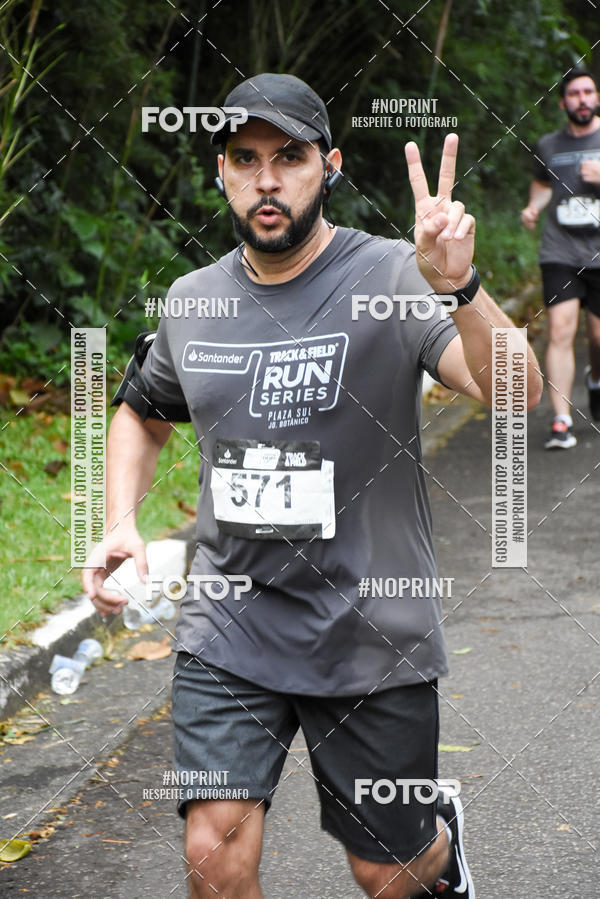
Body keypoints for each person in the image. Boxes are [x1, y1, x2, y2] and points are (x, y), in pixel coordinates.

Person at [84, 73, 542, 898]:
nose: (267, 179)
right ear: (220, 171)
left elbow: (515, 393)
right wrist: (119, 517)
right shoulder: (193, 303)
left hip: (371, 626)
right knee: (212, 856)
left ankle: (438, 842)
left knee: (388, 868)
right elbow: (141, 412)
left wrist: (462, 289)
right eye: (245, 158)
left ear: (327, 166)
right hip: (232, 622)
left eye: (288, 157)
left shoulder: (392, 276)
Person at [521, 66, 600, 449]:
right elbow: (541, 186)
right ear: (563, 102)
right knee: (560, 331)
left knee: (598, 335)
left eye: (588, 92)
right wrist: (533, 208)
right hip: (560, 251)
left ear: (596, 97)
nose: (582, 100)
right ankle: (562, 420)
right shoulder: (549, 144)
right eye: (574, 94)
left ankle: (596, 380)